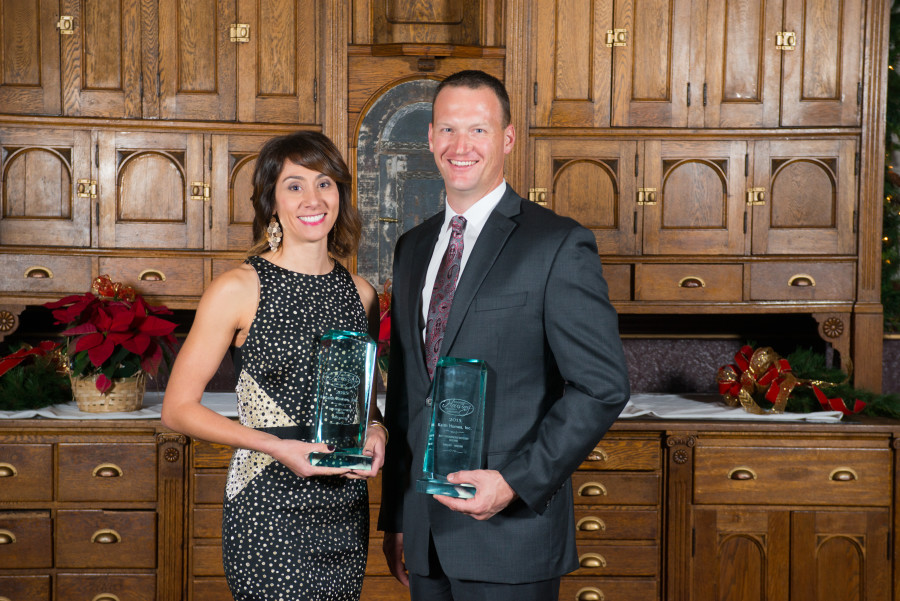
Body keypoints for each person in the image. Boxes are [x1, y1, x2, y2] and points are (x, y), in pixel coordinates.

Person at [378, 70, 630, 600]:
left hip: (511, 534)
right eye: (447, 129)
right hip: (425, 535)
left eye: (478, 130)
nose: (460, 145)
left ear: (508, 139)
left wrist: (515, 482)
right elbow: (406, 393)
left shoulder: (557, 244)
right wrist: (397, 516)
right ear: (429, 139)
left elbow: (601, 386)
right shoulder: (412, 248)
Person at [162, 130, 387, 601]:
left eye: (325, 183)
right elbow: (178, 409)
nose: (313, 198)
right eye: (294, 185)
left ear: (341, 194)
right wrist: (275, 447)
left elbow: (362, 403)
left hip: (344, 509)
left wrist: (377, 432)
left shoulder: (360, 294)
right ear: (271, 200)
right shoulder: (239, 288)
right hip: (268, 502)